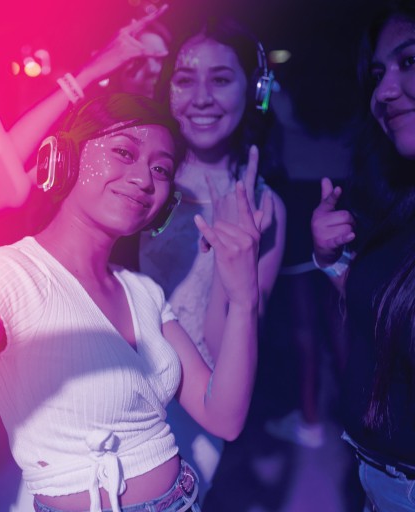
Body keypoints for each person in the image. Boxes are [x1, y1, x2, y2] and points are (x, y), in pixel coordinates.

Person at [0, 92, 267, 512]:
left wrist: (243, 296)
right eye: (123, 152)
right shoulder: (6, 274)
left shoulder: (142, 291)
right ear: (66, 159)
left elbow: (224, 418)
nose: (144, 179)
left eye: (161, 169)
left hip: (183, 500)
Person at [138, 14, 286, 501]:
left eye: (220, 80)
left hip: (195, 410)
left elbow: (225, 356)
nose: (201, 98)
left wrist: (230, 266)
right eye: (185, 80)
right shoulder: (140, 181)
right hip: (116, 385)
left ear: (255, 91)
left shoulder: (263, 206)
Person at [311, 1, 415, 509]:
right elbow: (390, 308)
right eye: (377, 74)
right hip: (379, 478)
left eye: (409, 61)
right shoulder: (401, 197)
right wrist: (330, 258)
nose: (384, 91)